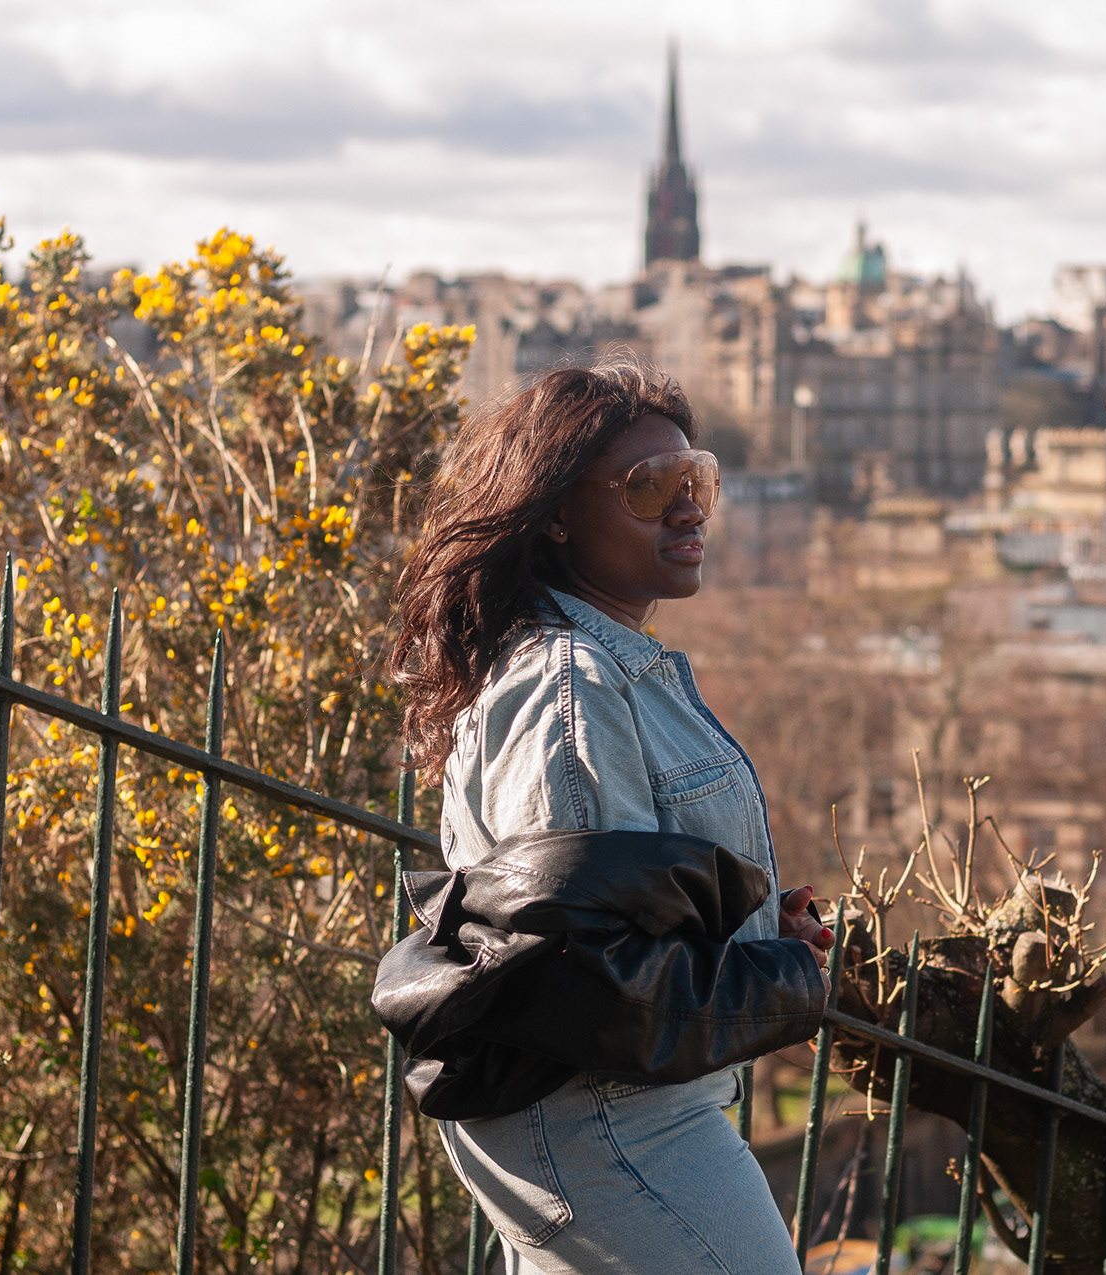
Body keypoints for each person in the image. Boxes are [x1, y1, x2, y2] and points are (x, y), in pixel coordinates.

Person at [389, 359, 833, 1273]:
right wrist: (789, 978)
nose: (688, 509)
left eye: (697, 478)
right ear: (557, 513)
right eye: (649, 487)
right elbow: (582, 970)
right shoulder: (572, 686)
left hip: (607, 1117)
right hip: (613, 1126)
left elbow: (613, 908)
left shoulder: (610, 664)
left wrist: (752, 932)